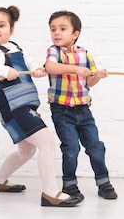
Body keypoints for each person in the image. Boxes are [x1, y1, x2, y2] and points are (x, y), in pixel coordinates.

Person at [0, 5, 79, 208]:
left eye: (1, 25)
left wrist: (37, 70)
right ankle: (51, 193)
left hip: (25, 104)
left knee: (26, 151)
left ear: (11, 30)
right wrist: (3, 70)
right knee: (46, 142)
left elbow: (31, 63)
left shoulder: (16, 47)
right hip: (13, 106)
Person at [45, 10, 116, 202]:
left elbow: (90, 82)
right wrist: (77, 69)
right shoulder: (54, 51)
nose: (57, 33)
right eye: (53, 29)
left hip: (83, 109)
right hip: (62, 110)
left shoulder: (85, 53)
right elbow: (50, 67)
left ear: (75, 34)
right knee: (71, 148)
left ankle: (103, 183)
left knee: (95, 146)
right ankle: (70, 184)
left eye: (62, 29)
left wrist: (97, 76)